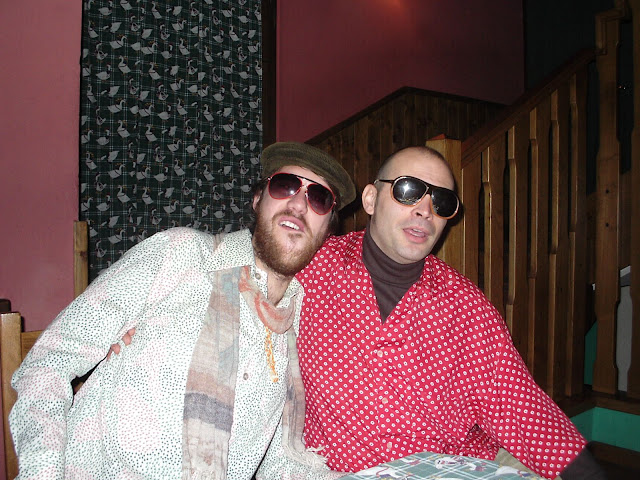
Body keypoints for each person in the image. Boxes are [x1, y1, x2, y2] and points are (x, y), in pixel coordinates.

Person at [9, 142, 356, 480]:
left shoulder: (294, 327)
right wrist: (43, 472)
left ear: (328, 229)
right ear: (257, 199)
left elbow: (277, 464)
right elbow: (49, 362)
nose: (298, 203)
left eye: (319, 198)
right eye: (285, 185)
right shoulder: (179, 255)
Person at [295, 146, 606, 480]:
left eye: (441, 202)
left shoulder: (466, 307)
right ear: (371, 199)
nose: (425, 210)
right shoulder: (312, 265)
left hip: (449, 468)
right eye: (408, 191)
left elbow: (520, 405)